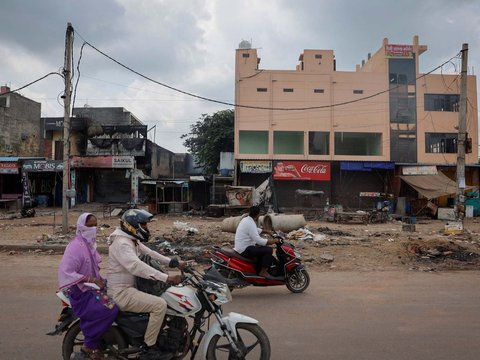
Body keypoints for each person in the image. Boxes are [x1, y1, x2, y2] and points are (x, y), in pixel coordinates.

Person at [107, 209, 185, 360]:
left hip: (130, 288)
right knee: (159, 305)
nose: (147, 228)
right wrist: (166, 278)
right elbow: (136, 266)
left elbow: (150, 253)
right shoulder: (122, 243)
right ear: (132, 226)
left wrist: (174, 262)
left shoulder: (130, 239)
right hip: (122, 293)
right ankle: (150, 347)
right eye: (144, 225)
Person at [58, 213, 118, 360]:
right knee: (111, 308)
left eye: (95, 225)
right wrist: (90, 279)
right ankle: (89, 345)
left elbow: (93, 270)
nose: (93, 229)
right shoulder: (75, 247)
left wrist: (102, 280)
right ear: (81, 227)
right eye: (89, 226)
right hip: (81, 293)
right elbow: (67, 271)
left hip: (92, 288)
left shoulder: (89, 245)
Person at [233, 205, 279, 278]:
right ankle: (263, 271)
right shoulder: (250, 223)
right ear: (258, 214)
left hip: (241, 247)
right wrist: (273, 241)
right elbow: (258, 240)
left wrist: (266, 231)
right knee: (269, 250)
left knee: (262, 248)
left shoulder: (246, 220)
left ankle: (259, 267)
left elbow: (254, 230)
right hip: (245, 249)